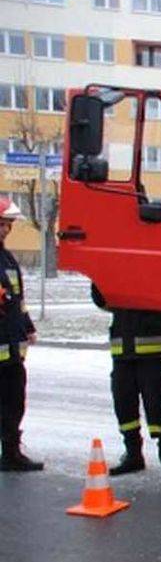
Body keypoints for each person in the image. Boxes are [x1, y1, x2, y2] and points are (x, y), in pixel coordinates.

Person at [91, 284, 161, 478]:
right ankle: (133, 454)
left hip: (151, 353)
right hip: (122, 352)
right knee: (123, 405)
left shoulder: (154, 272)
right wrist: (99, 280)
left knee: (156, 406)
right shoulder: (119, 273)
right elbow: (102, 300)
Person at [0, 197, 44, 471]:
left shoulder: (7, 258)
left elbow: (17, 299)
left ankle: (11, 452)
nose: (6, 230)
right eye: (2, 225)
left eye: (8, 225)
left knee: (14, 401)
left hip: (11, 351)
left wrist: (27, 326)